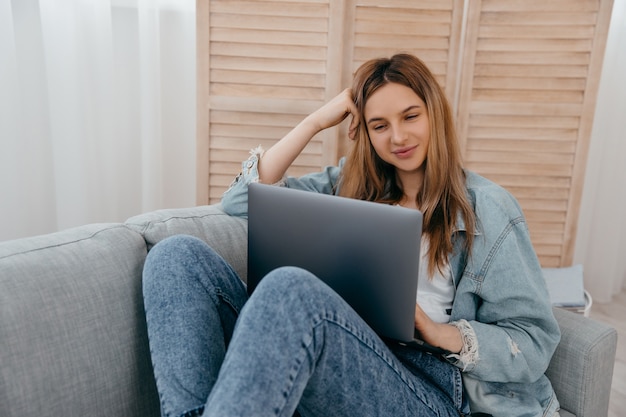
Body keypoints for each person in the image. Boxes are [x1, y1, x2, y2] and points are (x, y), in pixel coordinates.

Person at [142, 53, 561, 417]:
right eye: (379, 125)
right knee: (175, 258)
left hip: (427, 385)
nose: (397, 137)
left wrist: (438, 333)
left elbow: (535, 339)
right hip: (338, 348)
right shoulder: (349, 184)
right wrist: (316, 120)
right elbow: (239, 202)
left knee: (290, 288)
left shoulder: (487, 206)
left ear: (435, 112)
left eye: (410, 116)